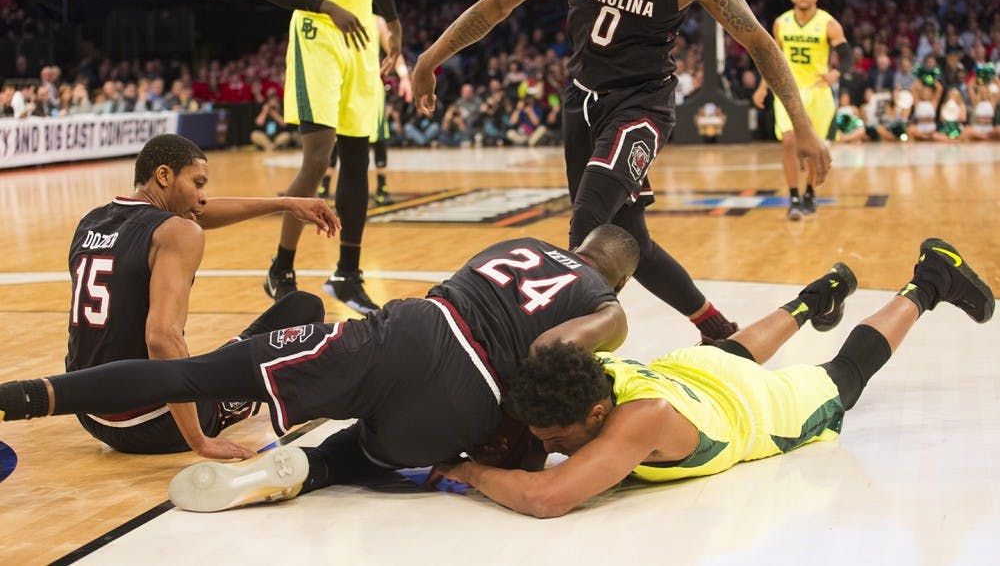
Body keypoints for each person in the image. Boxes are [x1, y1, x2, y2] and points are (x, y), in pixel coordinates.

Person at [411, 0, 832, 344]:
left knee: (587, 226)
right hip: (582, 101)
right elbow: (498, 3)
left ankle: (564, 357)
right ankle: (716, 329)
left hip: (642, 106)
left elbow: (759, 42)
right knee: (633, 240)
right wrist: (430, 58)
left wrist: (803, 126)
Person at [0, 224, 639, 510]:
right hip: (460, 407)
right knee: (370, 451)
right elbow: (543, 355)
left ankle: (23, 397)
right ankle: (312, 468)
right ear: (621, 279)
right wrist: (517, 440)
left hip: (410, 331)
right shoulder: (607, 307)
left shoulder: (524, 243)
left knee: (196, 374)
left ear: (579, 243)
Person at [431, 238, 994, 518]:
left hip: (751, 410)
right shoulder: (574, 372)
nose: (551, 449)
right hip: (692, 373)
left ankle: (929, 282)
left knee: (844, 376)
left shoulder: (640, 421)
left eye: (557, 439)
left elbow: (548, 498)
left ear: (598, 413)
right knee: (732, 353)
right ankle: (816, 298)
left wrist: (466, 470)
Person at [59, 134, 339, 459]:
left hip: (90, 412)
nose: (204, 197)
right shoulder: (178, 232)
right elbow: (161, 339)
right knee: (303, 309)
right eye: (198, 183)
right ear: (164, 176)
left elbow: (197, 213)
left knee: (211, 354)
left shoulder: (91, 221)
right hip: (153, 424)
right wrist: (199, 440)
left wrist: (286, 204)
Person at [257, 0, 402, 316]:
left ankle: (347, 274)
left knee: (358, 158)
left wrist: (392, 20)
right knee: (319, 159)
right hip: (317, 36)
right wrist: (326, 6)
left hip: (361, 39)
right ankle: (281, 268)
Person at [752, 0, 851, 220]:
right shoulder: (781, 23)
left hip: (817, 91)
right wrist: (763, 86)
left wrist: (836, 73)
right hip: (788, 90)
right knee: (789, 141)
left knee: (813, 148)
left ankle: (809, 193)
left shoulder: (828, 23)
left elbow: (846, 55)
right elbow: (773, 59)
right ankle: (794, 197)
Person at [320, 15, 413, 219]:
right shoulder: (334, 16)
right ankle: (324, 188)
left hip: (370, 88)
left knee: (378, 137)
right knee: (334, 137)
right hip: (341, 85)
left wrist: (404, 76)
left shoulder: (377, 21)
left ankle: (382, 188)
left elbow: (393, 51)